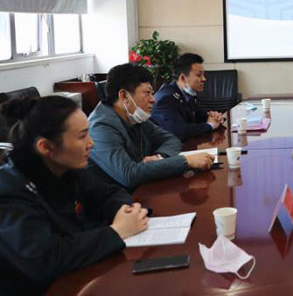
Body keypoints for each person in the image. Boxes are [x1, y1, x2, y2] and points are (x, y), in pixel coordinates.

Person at [0, 96, 149, 294]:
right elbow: (45, 259)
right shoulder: (8, 191)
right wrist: (117, 231)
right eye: (82, 136)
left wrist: (126, 211)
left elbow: (108, 194)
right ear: (46, 147)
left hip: (77, 275)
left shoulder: (64, 168)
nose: (91, 143)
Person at [88, 63, 214, 191]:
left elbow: (171, 139)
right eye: (147, 93)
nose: (153, 99)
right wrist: (185, 161)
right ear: (124, 96)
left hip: (142, 190)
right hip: (115, 199)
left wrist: (159, 158)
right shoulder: (100, 128)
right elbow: (129, 174)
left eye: (152, 93)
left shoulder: (134, 116)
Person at [151, 53, 225, 140]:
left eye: (203, 75)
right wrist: (210, 125)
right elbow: (179, 132)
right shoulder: (165, 99)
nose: (204, 79)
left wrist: (215, 117)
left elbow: (199, 116)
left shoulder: (187, 94)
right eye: (199, 75)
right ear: (183, 78)